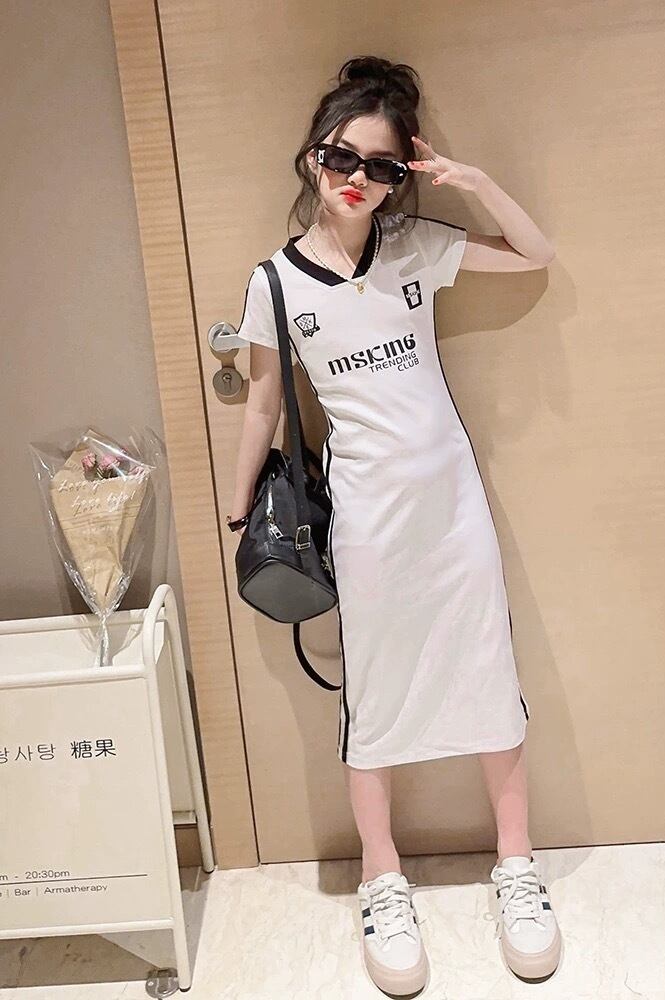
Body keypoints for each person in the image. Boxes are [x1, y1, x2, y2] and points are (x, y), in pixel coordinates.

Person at [229, 55, 561, 994]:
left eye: (379, 167)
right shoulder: (275, 284)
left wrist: (472, 180)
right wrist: (238, 505)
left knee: (487, 670)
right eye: (342, 156)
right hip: (366, 520)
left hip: (452, 509)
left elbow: (536, 254)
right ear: (314, 154)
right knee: (372, 694)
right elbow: (264, 403)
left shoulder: (415, 246)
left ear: (399, 174)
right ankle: (383, 877)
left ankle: (516, 864)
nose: (356, 179)